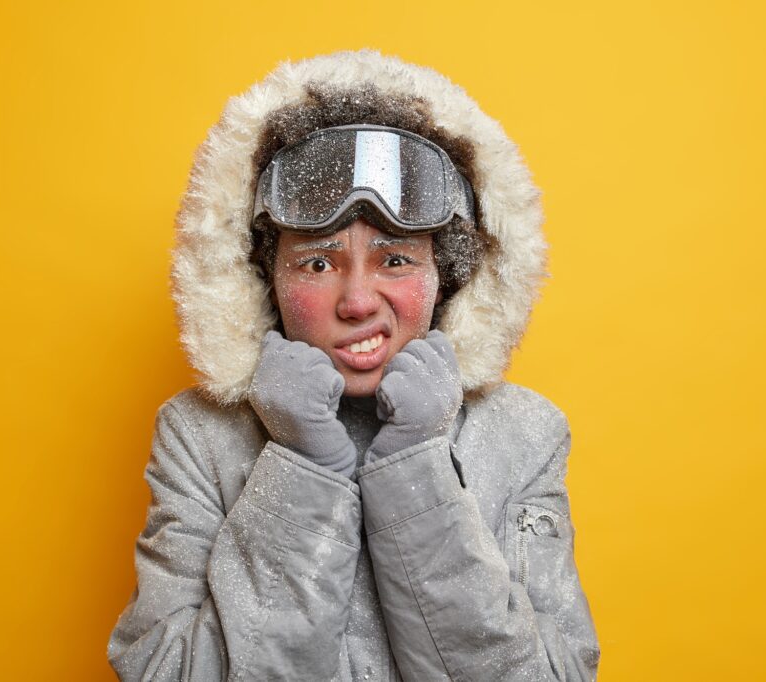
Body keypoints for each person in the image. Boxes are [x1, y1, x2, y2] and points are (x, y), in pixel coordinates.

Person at [107, 50, 599, 681]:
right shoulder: (198, 438)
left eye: (395, 260)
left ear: (445, 276)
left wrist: (416, 464)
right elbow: (161, 672)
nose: (359, 300)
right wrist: (304, 465)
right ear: (265, 280)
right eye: (317, 262)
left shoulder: (525, 434)